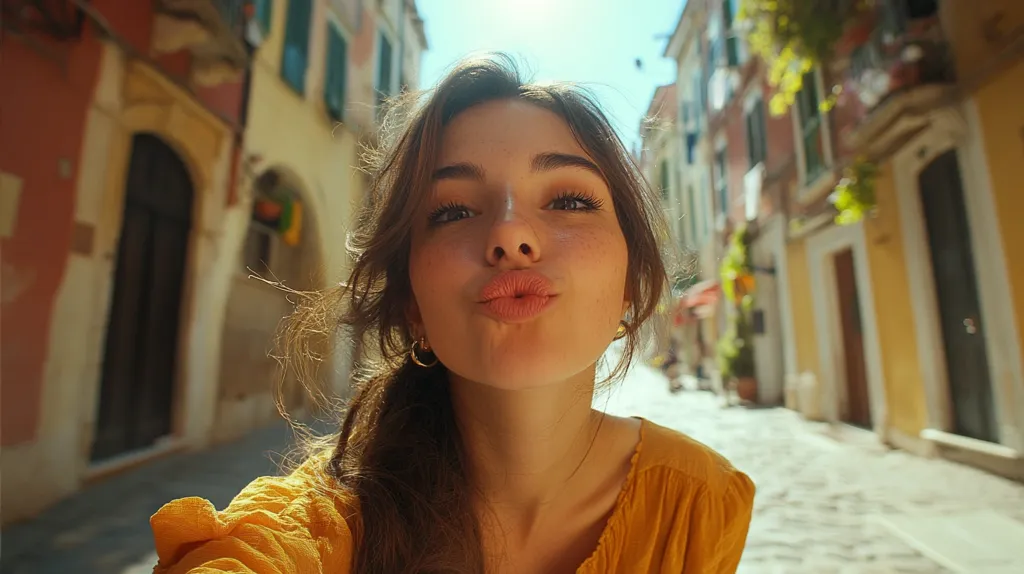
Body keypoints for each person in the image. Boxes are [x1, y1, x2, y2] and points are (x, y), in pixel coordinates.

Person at [150, 54, 755, 574]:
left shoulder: (699, 503)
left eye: (570, 199)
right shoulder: (312, 527)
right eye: (453, 211)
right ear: (412, 304)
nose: (511, 231)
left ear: (630, 284)